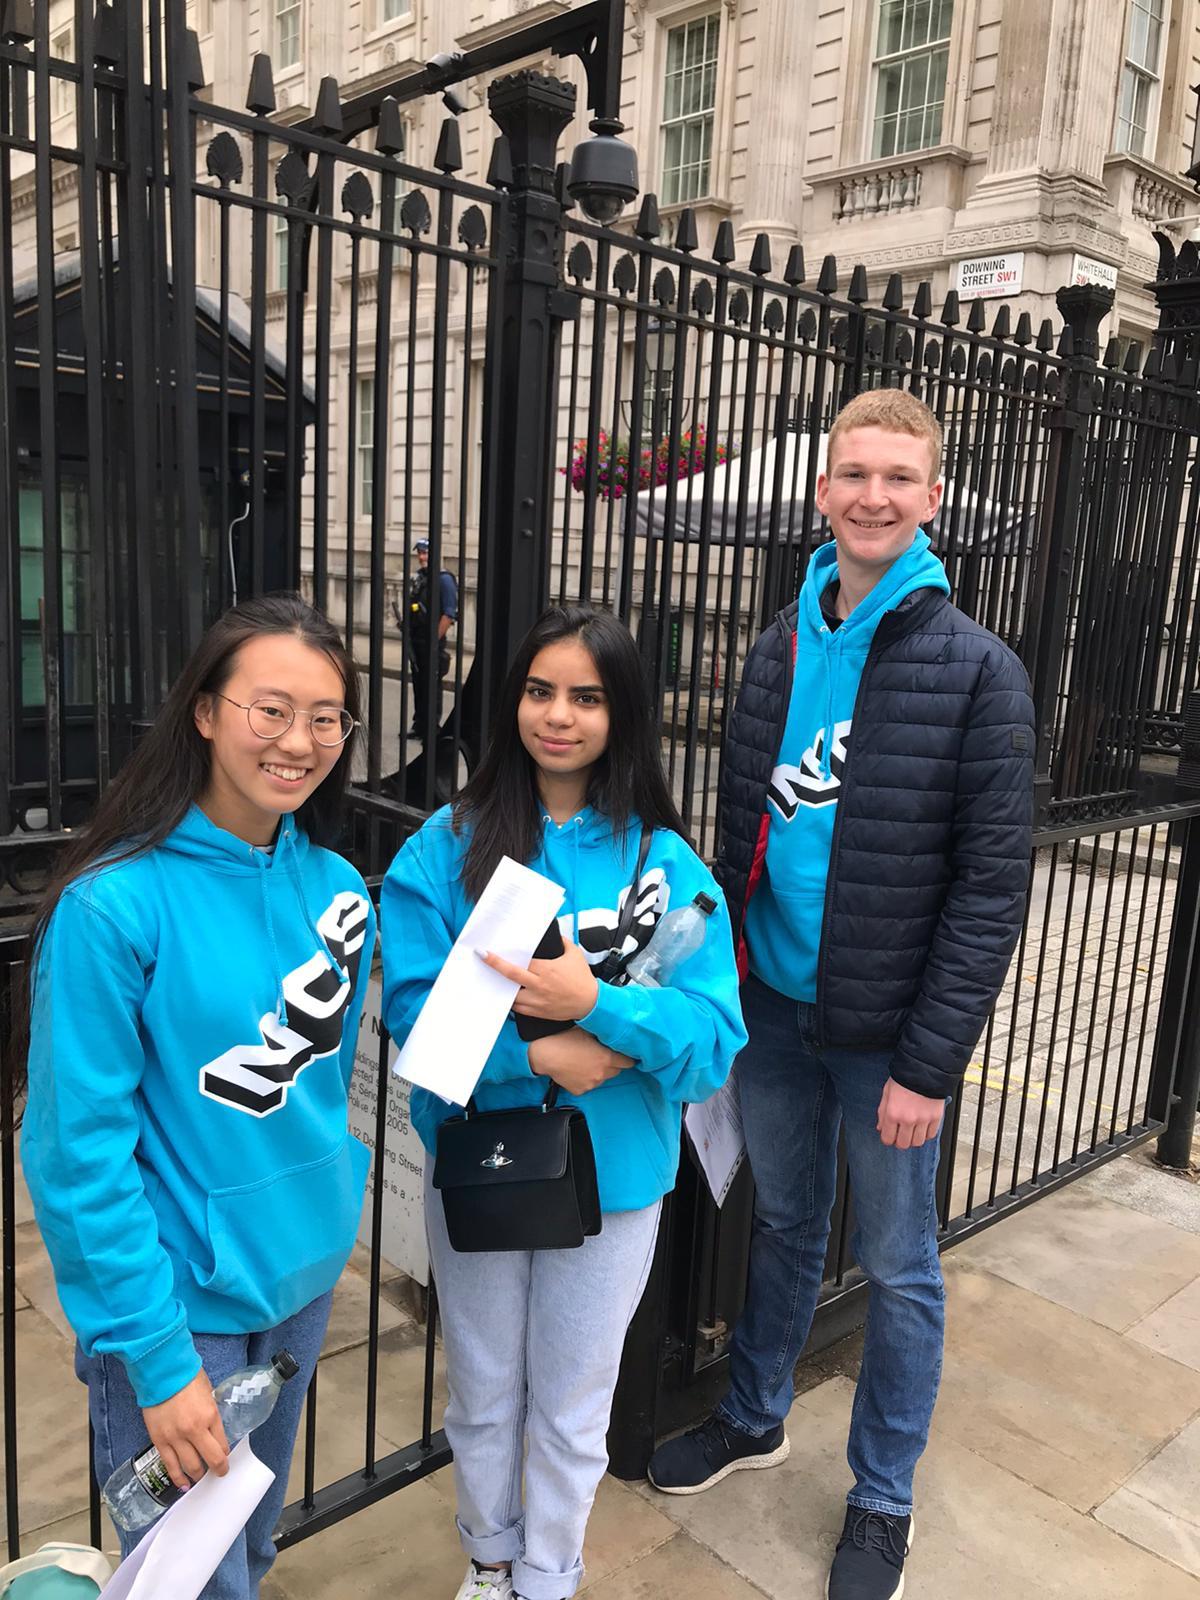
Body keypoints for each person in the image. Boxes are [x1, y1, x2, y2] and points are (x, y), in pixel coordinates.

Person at [646, 390, 1035, 1600]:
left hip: (886, 1037)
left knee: (899, 1263)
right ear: (825, 491)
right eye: (853, 474)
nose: (873, 495)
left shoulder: (980, 669)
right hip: (771, 1008)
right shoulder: (776, 643)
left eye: (897, 478)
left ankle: (882, 1496)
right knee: (780, 1222)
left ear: (931, 500)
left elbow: (990, 886)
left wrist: (930, 1062)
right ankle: (756, 1409)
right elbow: (737, 825)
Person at [381, 603, 746, 1600]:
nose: (560, 715)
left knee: (575, 1399)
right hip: (484, 1166)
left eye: (586, 696)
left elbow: (712, 1040)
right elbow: (419, 1027)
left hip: (618, 1180)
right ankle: (490, 1561)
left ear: (621, 713)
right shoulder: (441, 853)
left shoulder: (663, 863)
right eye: (540, 690)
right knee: (487, 1389)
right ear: (510, 704)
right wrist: (549, 1057)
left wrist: (602, 1011)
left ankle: (549, 1575)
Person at [19, 595, 376, 1600]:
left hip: (299, 1283)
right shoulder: (113, 904)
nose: (299, 740)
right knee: (188, 1575)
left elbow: (320, 1084)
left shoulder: (342, 888)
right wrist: (158, 1358)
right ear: (207, 713)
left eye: (325, 716)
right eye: (270, 709)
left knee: (250, 1549)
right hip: (182, 1304)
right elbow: (75, 1156)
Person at [394, 538, 458, 743]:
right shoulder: (421, 578)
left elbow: (448, 615)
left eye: (426, 553)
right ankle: (420, 725)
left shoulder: (444, 579)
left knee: (432, 687)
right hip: (417, 641)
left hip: (432, 643)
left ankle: (432, 729)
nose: (422, 557)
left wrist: (433, 642)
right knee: (419, 685)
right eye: (420, 553)